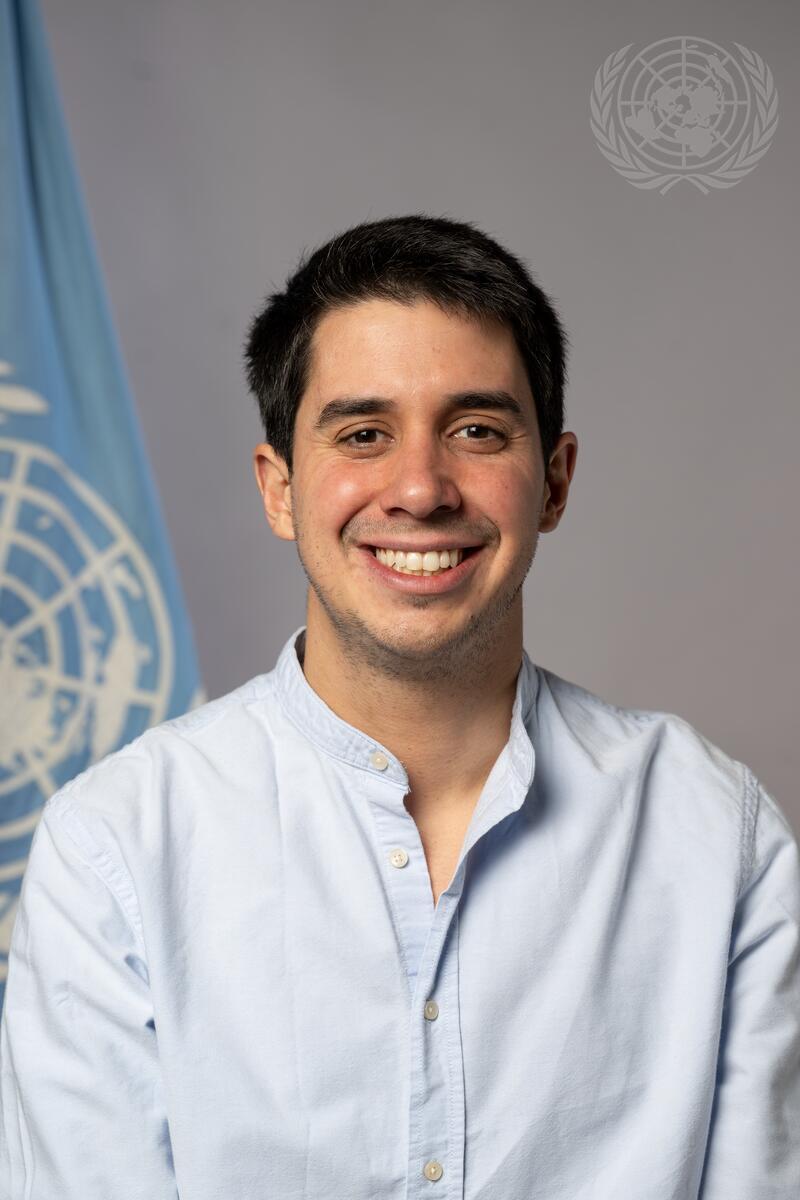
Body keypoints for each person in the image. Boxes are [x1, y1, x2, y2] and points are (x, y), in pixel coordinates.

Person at [1, 214, 798, 1199]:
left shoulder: (717, 840)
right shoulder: (114, 848)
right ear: (279, 488)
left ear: (552, 482)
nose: (418, 489)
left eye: (474, 430)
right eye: (363, 434)